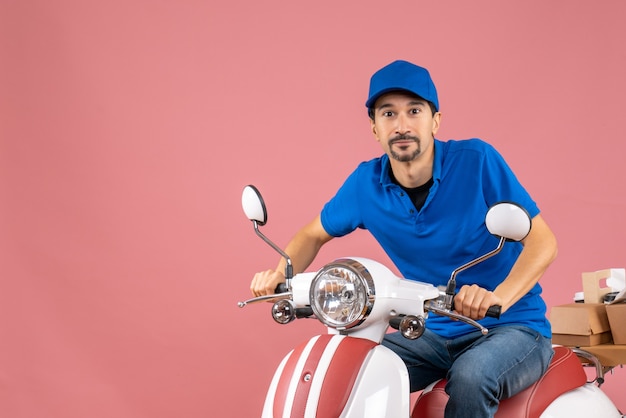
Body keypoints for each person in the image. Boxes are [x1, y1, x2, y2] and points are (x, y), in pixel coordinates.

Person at [250, 59, 558, 418]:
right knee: (351, 368)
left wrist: (498, 298)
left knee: (473, 376)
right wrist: (279, 273)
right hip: (434, 331)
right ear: (374, 128)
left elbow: (543, 243)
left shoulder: (477, 161)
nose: (402, 125)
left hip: (512, 328)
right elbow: (311, 234)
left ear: (435, 121)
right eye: (388, 114)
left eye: (414, 111)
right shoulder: (366, 184)